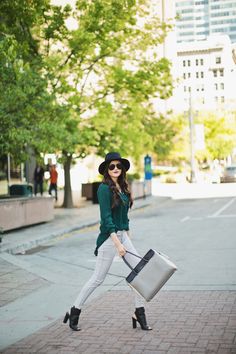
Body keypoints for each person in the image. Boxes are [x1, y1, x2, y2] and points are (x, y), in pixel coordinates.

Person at [63, 152, 152, 331]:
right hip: (108, 239)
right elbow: (106, 219)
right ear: (106, 169)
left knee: (140, 272)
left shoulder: (124, 187)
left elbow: (124, 217)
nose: (116, 169)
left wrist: (126, 238)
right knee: (98, 279)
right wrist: (118, 244)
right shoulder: (103, 189)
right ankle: (74, 310)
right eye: (112, 166)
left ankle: (139, 312)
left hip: (123, 236)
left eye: (118, 166)